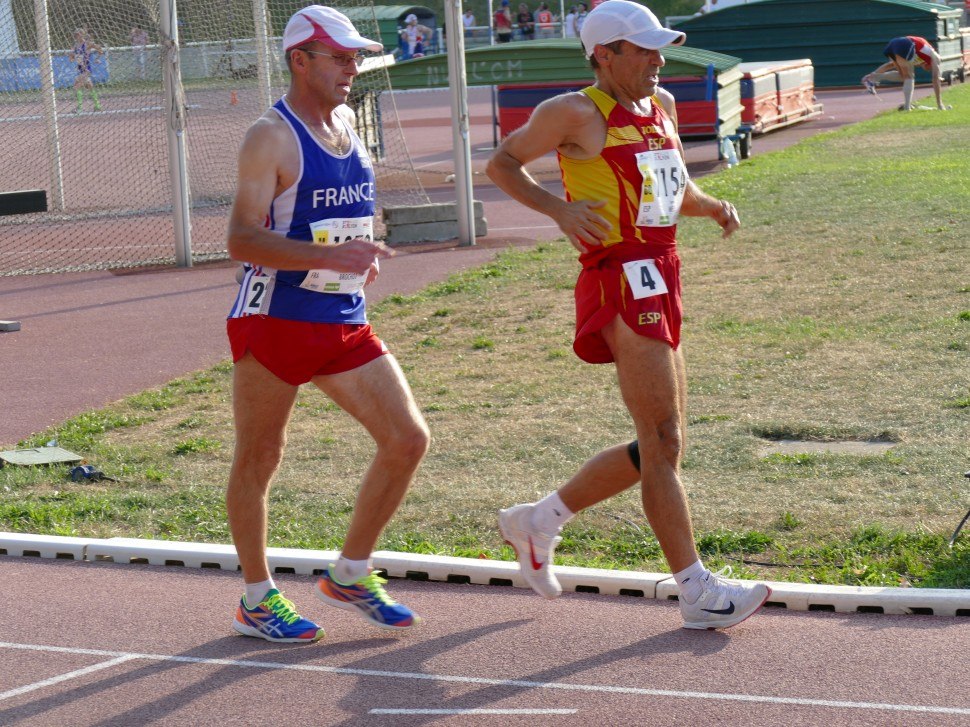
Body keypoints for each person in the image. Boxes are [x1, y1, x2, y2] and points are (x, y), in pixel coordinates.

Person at [486, 0, 771, 631]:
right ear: (604, 54)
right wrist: (558, 211)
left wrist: (714, 206)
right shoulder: (574, 112)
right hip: (619, 276)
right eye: (643, 49)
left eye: (659, 47)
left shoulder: (662, 107)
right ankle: (696, 590)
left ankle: (539, 521)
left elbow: (672, 193)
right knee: (663, 439)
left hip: (663, 271)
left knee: (662, 442)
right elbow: (502, 163)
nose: (658, 59)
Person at [225, 5, 430, 643]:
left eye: (356, 57)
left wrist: (357, 255)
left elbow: (339, 215)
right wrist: (327, 256)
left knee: (408, 439)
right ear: (299, 60)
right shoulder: (271, 136)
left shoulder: (346, 121)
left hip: (342, 316)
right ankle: (257, 599)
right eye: (339, 57)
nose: (352, 67)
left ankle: (350, 571)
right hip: (277, 319)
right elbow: (240, 238)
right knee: (260, 456)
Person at [862, 36, 949, 111]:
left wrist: (872, 74)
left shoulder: (920, 59)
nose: (929, 70)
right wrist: (940, 104)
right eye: (930, 69)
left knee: (903, 76)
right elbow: (935, 79)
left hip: (893, 44)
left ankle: (871, 78)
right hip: (906, 43)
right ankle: (907, 107)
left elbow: (889, 65)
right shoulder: (936, 57)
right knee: (910, 77)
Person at [70, 28, 103, 113]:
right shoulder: (75, 46)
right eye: (76, 34)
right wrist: (72, 55)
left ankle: (80, 108)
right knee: (89, 86)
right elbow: (71, 59)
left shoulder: (87, 44)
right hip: (80, 69)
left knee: (76, 85)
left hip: (86, 69)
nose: (77, 36)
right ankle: (97, 105)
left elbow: (100, 49)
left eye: (79, 34)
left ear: (83, 34)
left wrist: (97, 58)